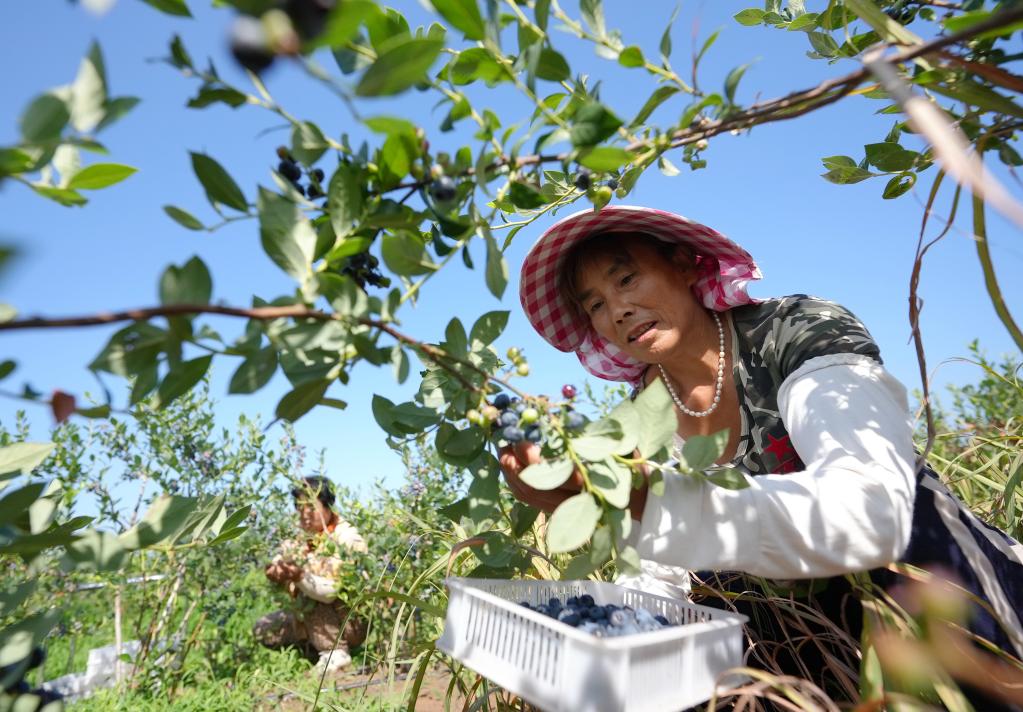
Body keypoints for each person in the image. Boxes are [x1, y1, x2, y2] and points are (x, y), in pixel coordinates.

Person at [500, 205, 1023, 705]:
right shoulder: (639, 423)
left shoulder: (795, 332)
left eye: (626, 279)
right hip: (798, 635)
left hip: (931, 585)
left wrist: (651, 500)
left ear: (684, 263)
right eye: (594, 304)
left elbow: (872, 510)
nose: (616, 310)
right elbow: (659, 578)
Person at [253, 476, 369, 674]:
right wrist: (275, 570)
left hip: (352, 621)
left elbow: (332, 591)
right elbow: (280, 557)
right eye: (300, 507)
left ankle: (335, 653)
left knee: (310, 591)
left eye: (310, 506)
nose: (304, 514)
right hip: (316, 620)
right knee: (264, 629)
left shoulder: (346, 537)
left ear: (327, 506)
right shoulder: (302, 538)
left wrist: (299, 577)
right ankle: (314, 651)